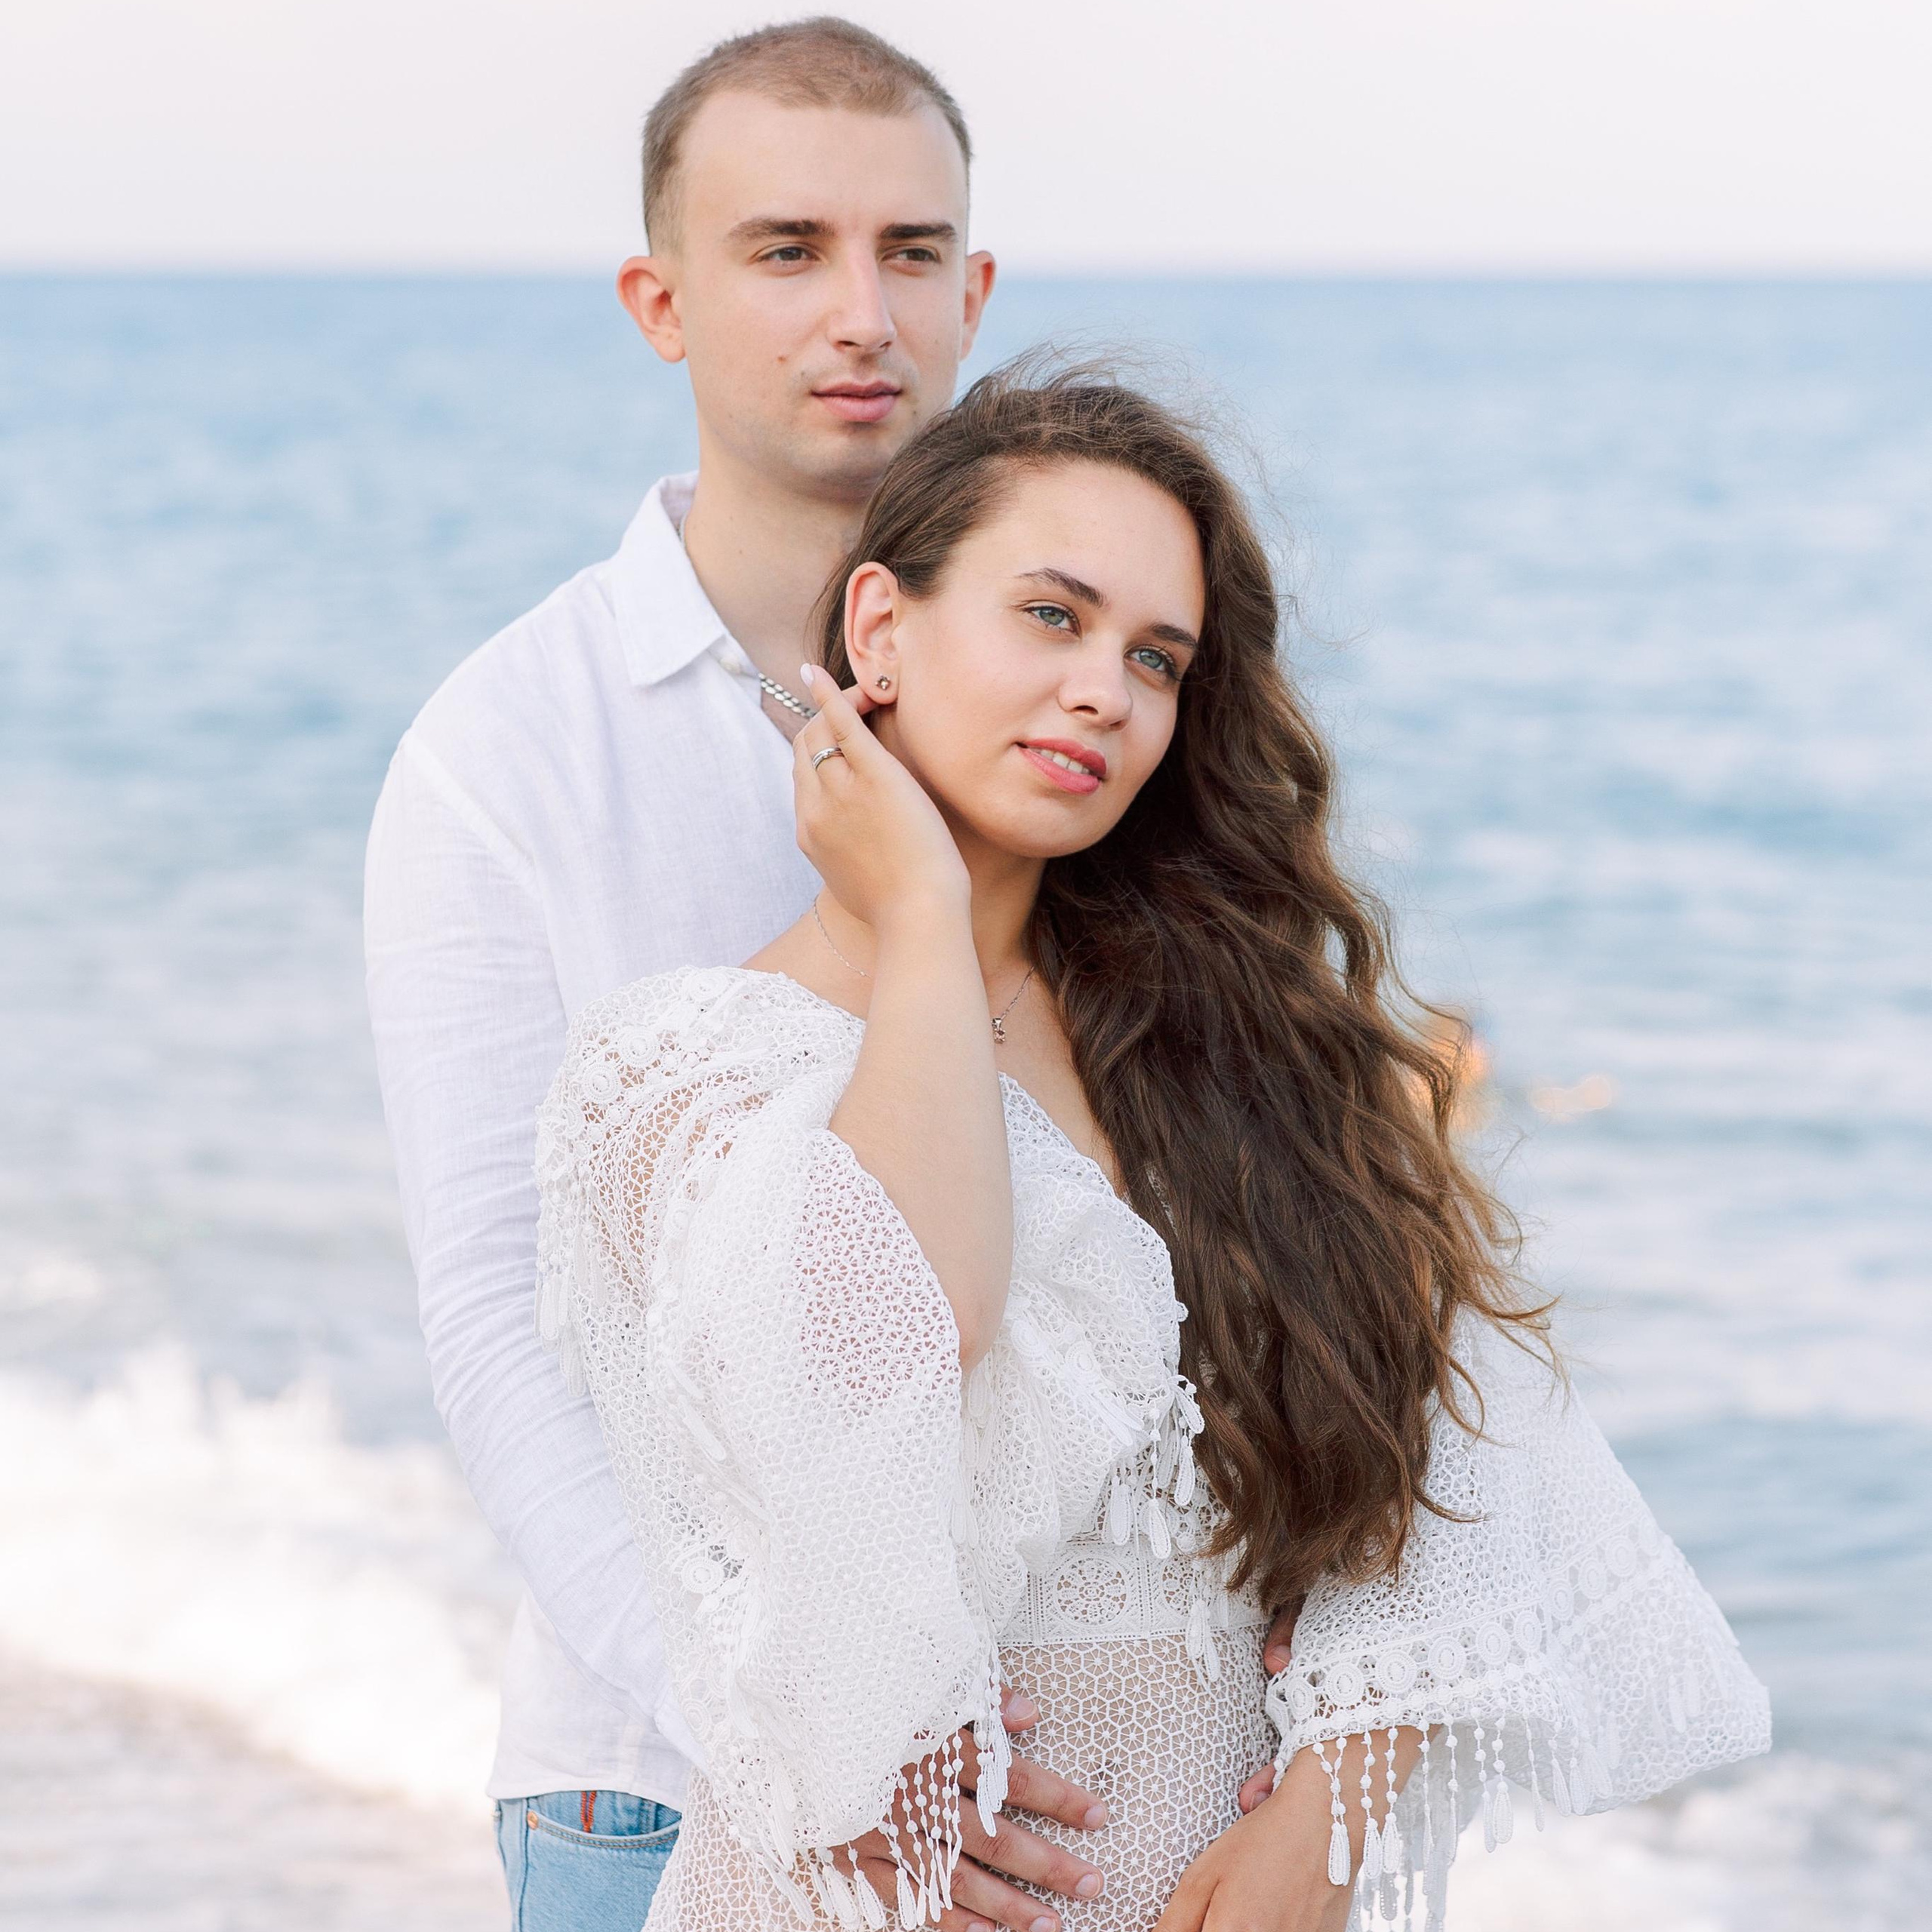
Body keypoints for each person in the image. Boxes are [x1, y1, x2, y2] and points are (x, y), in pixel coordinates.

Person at [534, 359, 1772, 1932]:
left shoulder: (1232, 1040)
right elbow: (894, 1340)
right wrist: (920, 917)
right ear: (878, 630)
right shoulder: (678, 1072)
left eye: (1156, 658)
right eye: (1050, 616)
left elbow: (1466, 1447)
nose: (1104, 692)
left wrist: (1340, 1796)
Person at [365, 19, 1296, 1930]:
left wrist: (1330, 1749)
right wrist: (816, 1749)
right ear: (662, 299)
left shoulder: (1083, 689)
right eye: (783, 248)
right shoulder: (510, 749)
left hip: (1113, 1801)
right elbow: (493, 1315)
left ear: (974, 289)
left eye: (909, 252)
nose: (856, 311)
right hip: (664, 1790)